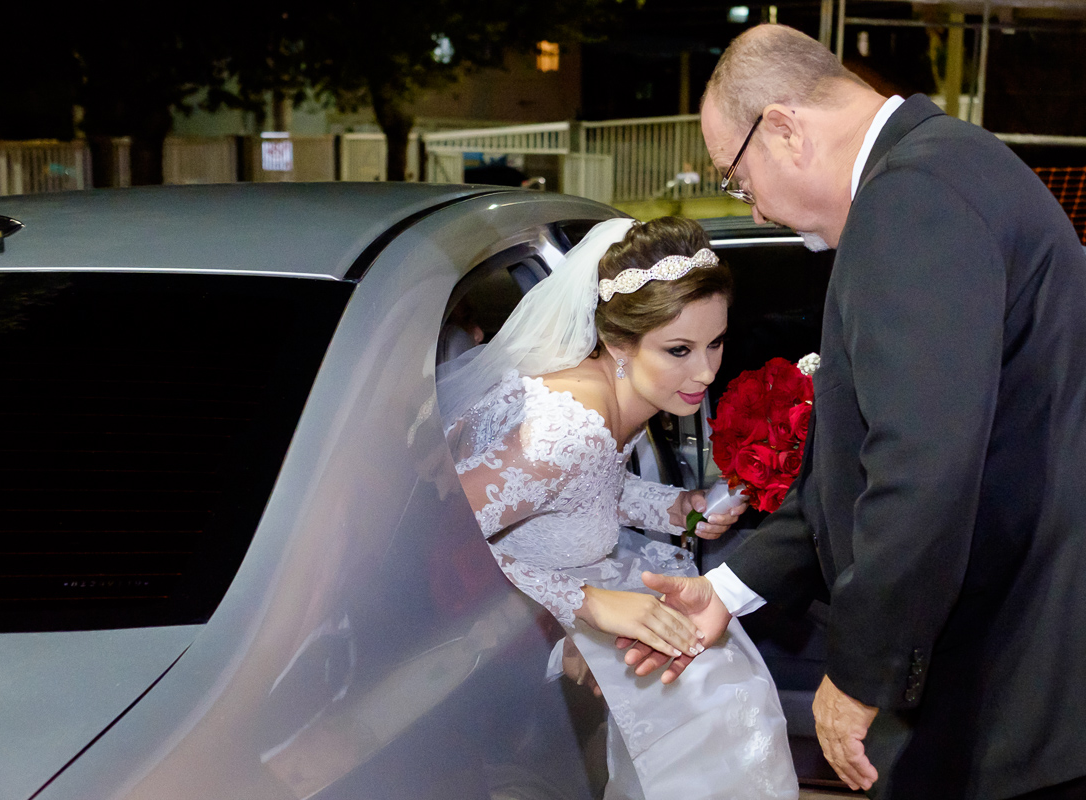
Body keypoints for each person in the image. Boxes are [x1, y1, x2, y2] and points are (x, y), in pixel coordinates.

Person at [627, 23, 1086, 800]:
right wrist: (728, 591)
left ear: (783, 129)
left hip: (1010, 668)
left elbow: (920, 469)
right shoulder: (949, 162)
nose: (760, 212)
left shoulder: (911, 201)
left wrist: (862, 669)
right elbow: (865, 453)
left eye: (740, 181)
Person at [438, 216, 798, 800]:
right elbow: (444, 533)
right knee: (710, 705)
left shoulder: (613, 396)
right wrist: (588, 608)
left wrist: (681, 505)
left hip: (584, 580)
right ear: (616, 342)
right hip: (509, 621)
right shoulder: (566, 427)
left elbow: (591, 487)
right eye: (678, 350)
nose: (705, 371)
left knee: (718, 682)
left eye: (716, 342)